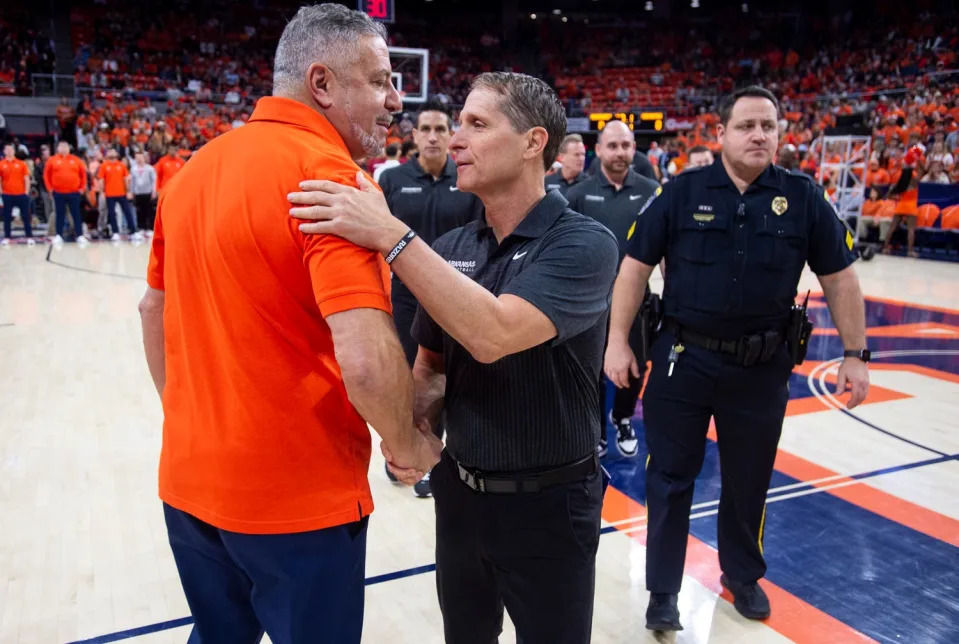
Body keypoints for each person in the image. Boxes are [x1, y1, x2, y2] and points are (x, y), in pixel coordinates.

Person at [137, 5, 440, 642]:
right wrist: (407, 447)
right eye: (380, 81)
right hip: (297, 499)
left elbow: (152, 310)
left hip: (190, 481)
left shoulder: (192, 173)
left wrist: (193, 419)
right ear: (322, 82)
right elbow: (361, 356)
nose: (395, 100)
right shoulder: (332, 180)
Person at [289, 71, 618, 644]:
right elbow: (433, 367)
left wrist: (389, 236)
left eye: (477, 123)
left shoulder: (583, 243)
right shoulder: (453, 248)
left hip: (551, 505)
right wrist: (404, 431)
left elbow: (495, 332)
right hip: (460, 495)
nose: (456, 137)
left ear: (533, 142)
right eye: (458, 123)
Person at [605, 86, 870, 631]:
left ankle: (741, 576)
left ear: (779, 134)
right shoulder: (681, 192)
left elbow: (840, 277)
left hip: (762, 367)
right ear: (721, 133)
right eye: (747, 125)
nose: (758, 135)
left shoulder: (802, 197)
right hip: (684, 359)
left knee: (750, 479)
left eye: (768, 126)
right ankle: (662, 592)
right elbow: (633, 267)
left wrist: (854, 352)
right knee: (670, 479)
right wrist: (616, 342)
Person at [376, 101, 484, 497]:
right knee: (409, 378)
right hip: (405, 297)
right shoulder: (392, 180)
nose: (434, 136)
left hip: (459, 295)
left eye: (441, 128)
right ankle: (409, 453)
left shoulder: (469, 180)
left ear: (451, 133)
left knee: (454, 376)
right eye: (426, 129)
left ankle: (446, 457)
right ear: (414, 135)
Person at [566, 120, 660, 459]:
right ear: (600, 150)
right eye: (613, 146)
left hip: (637, 300)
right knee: (590, 368)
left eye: (626, 146)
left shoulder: (652, 191)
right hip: (589, 302)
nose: (620, 153)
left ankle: (622, 418)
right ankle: (595, 428)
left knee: (635, 365)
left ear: (634, 149)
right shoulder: (576, 195)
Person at [43, 141, 87, 243]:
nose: (63, 148)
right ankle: (58, 235)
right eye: (61, 147)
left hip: (74, 192)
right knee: (59, 214)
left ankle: (80, 235)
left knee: (76, 214)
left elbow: (83, 175)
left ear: (68, 148)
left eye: (65, 147)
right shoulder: (52, 160)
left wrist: (82, 188)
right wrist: (50, 189)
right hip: (58, 192)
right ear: (58, 148)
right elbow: (46, 175)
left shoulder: (76, 160)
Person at [97, 149, 140, 241]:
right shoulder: (104, 166)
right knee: (112, 213)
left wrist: (128, 191)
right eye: (110, 151)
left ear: (116, 154)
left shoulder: (121, 165)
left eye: (113, 151)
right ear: (107, 154)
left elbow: (126, 179)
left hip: (122, 193)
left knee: (127, 212)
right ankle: (115, 232)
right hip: (109, 194)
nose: (111, 153)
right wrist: (102, 192)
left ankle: (133, 232)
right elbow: (101, 180)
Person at [0, 143, 34, 245]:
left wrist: (26, 192)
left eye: (11, 149)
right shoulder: (1, 164)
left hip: (21, 194)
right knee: (7, 217)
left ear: (14, 151)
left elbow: (26, 178)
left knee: (25, 216)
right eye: (7, 149)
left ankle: (29, 236)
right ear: (4, 151)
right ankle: (7, 237)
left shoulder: (21, 164)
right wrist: (1, 191)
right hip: (7, 194)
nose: (9, 151)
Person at [130, 152, 157, 231]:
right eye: (137, 158)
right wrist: (132, 191)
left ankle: (149, 228)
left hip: (148, 192)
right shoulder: (133, 169)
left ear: (144, 158)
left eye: (140, 157)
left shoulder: (150, 168)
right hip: (138, 193)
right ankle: (141, 228)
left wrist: (153, 191)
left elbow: (154, 181)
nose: (139, 159)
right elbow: (132, 181)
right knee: (139, 211)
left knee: (149, 211)